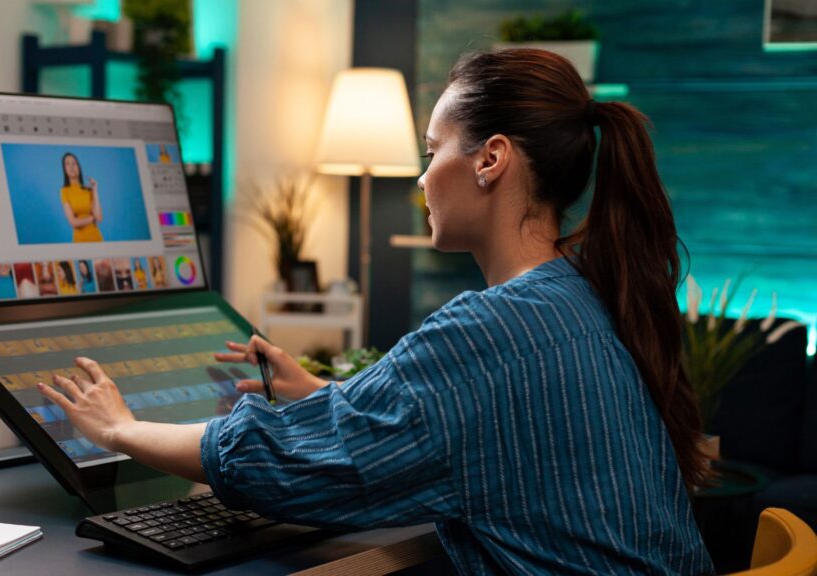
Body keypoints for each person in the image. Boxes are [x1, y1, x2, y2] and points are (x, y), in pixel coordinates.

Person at [37, 49, 713, 574]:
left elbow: (276, 468)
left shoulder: (489, 333)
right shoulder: (580, 293)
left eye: (432, 151)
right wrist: (330, 399)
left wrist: (120, 429)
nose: (421, 178)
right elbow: (478, 423)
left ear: (492, 159)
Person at [60, 152, 104, 243]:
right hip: (79, 240)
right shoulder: (65, 191)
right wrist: (92, 219)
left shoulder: (88, 190)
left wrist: (95, 191)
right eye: (67, 164)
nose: (71, 167)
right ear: (64, 169)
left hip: (96, 237)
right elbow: (73, 222)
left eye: (74, 163)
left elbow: (99, 217)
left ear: (79, 167)